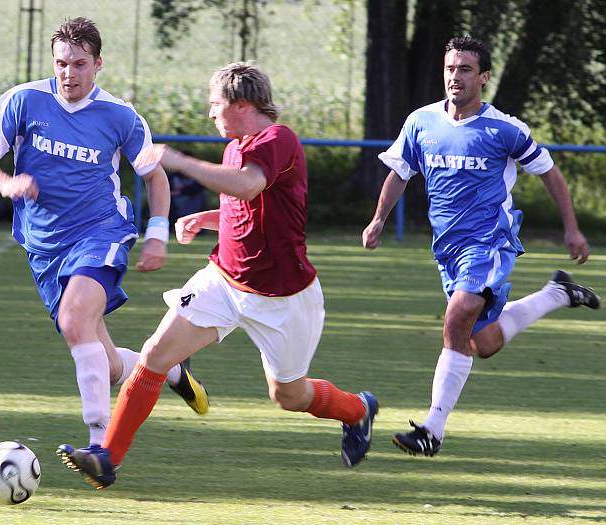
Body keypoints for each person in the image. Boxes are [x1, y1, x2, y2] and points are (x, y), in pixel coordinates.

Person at [57, 62, 379, 489]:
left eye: (216, 104)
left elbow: (248, 186)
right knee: (154, 356)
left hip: (283, 298)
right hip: (223, 281)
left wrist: (178, 160)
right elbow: (247, 207)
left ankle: (357, 410)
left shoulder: (277, 139)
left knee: (289, 395)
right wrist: (207, 218)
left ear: (242, 104)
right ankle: (106, 458)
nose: (211, 113)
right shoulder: (235, 146)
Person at [0, 17, 209, 451]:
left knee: (75, 319)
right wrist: (6, 184)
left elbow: (155, 178)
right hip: (43, 245)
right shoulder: (23, 101)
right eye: (62, 63)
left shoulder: (120, 116)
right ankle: (171, 370)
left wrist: (156, 234)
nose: (68, 74)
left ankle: (100, 445)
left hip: (102, 232)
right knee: (104, 359)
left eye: (79, 64)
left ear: (98, 64)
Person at [362, 36, 600, 457]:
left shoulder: (505, 129)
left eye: (466, 69)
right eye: (451, 68)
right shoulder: (421, 122)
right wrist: (379, 219)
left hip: (490, 240)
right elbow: (400, 172)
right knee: (480, 343)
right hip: (447, 248)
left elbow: (550, 174)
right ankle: (557, 292)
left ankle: (432, 428)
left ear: (484, 77)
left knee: (456, 317)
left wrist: (571, 228)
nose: (456, 76)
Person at [167, 161, 206, 229]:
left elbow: (197, 188)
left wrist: (180, 192)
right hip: (175, 205)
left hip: (193, 205)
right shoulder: (173, 176)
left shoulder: (197, 176)